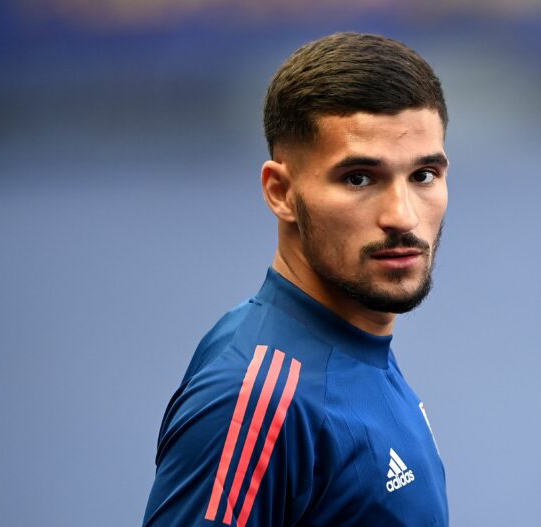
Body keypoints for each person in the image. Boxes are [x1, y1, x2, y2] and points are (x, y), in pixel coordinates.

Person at [143, 32, 449, 526]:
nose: (403, 216)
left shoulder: (354, 346)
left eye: (424, 175)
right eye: (358, 178)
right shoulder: (255, 398)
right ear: (281, 192)